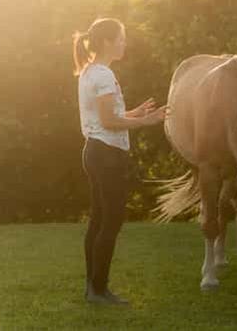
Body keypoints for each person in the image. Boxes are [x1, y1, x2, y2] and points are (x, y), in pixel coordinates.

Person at [73, 18, 166, 305]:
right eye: (121, 38)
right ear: (106, 42)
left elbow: (110, 114)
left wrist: (136, 112)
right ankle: (99, 290)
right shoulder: (102, 75)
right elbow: (109, 121)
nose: (124, 43)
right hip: (106, 155)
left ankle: (93, 288)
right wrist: (147, 121)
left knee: (99, 220)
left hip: (96, 152)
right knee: (110, 221)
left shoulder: (91, 72)